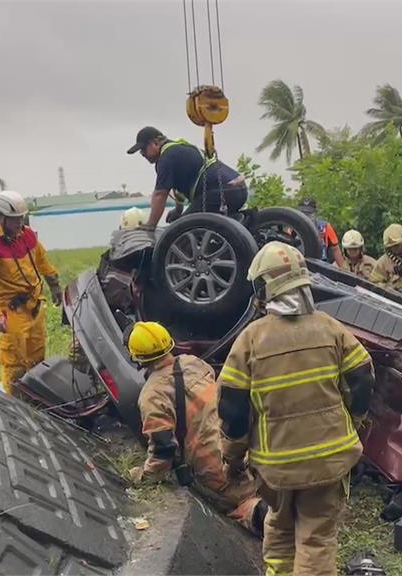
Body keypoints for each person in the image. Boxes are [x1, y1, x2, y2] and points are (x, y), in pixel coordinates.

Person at [217, 241, 374, 576]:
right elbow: (362, 379)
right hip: (328, 461)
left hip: (276, 468)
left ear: (264, 288)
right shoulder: (331, 328)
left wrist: (232, 457)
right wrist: (352, 421)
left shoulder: (250, 340)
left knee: (280, 530)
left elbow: (231, 409)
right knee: (316, 540)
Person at [125, 321, 267, 536]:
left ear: (137, 358)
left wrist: (144, 476)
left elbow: (163, 449)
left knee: (238, 504)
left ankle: (265, 517)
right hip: (243, 447)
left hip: (215, 467)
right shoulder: (194, 363)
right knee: (260, 484)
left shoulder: (152, 395)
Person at [0, 191, 63, 395]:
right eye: (14, 219)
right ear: (0, 219)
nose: (19, 223)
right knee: (14, 362)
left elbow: (42, 261)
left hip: (34, 308)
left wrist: (54, 284)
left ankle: (38, 398)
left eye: (21, 218)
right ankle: (14, 403)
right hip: (11, 312)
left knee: (37, 357)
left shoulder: (29, 236)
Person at [126, 126, 248, 229]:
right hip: (239, 189)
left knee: (182, 230)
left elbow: (160, 194)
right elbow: (178, 186)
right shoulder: (179, 149)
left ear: (156, 142)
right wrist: (178, 210)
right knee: (190, 223)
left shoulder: (165, 159)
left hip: (221, 193)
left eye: (143, 149)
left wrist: (150, 225)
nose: (142, 154)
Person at [297, 198, 346, 268]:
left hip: (321, 267)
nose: (306, 216)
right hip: (300, 265)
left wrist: (344, 270)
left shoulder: (325, 227)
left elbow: (335, 250)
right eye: (303, 213)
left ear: (315, 213)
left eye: (309, 213)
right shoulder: (292, 228)